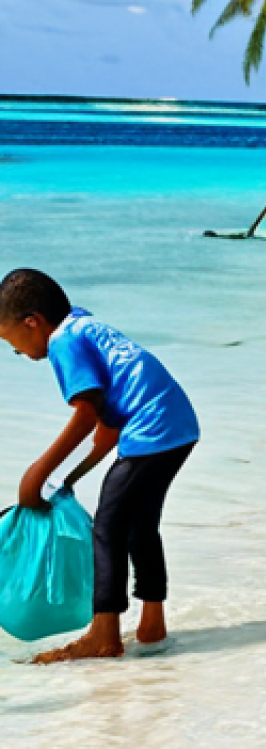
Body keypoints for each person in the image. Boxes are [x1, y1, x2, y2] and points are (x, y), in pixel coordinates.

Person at [0, 268, 200, 662]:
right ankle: (151, 625)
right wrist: (70, 478)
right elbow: (106, 429)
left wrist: (36, 473)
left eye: (12, 342)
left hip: (153, 429)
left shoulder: (62, 343)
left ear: (32, 322)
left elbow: (86, 414)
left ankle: (104, 635)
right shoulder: (81, 322)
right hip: (178, 424)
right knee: (139, 527)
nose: (18, 353)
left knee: (107, 530)